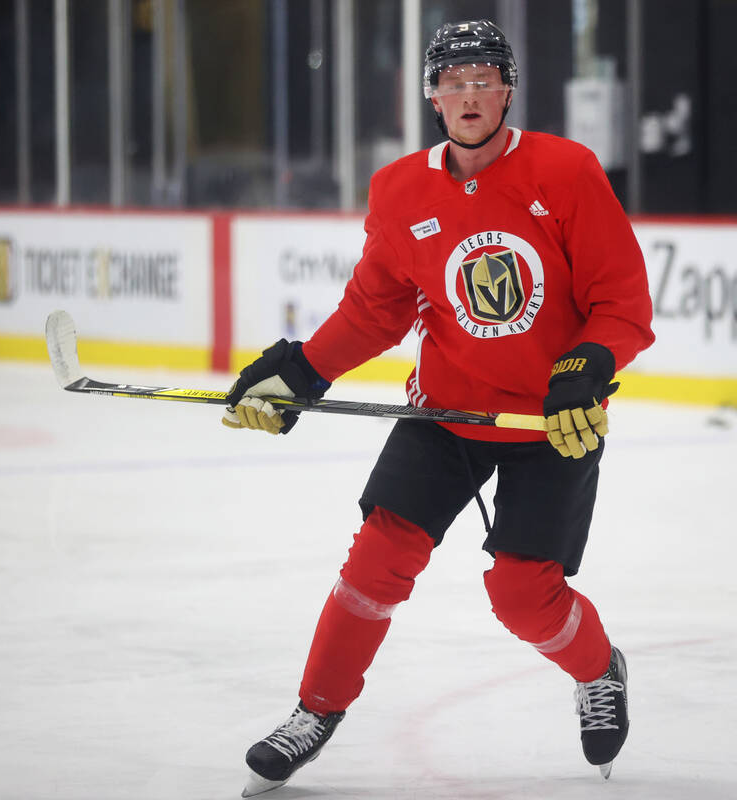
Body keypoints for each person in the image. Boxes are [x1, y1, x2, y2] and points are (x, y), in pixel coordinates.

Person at [222, 19, 655, 797]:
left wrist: (586, 366)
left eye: (483, 78)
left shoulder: (566, 171)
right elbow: (376, 309)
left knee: (523, 594)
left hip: (548, 420)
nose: (468, 95)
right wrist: (304, 371)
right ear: (431, 97)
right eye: (452, 83)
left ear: (508, 89)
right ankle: (313, 712)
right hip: (444, 415)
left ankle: (599, 669)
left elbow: (621, 301)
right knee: (377, 561)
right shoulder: (399, 190)